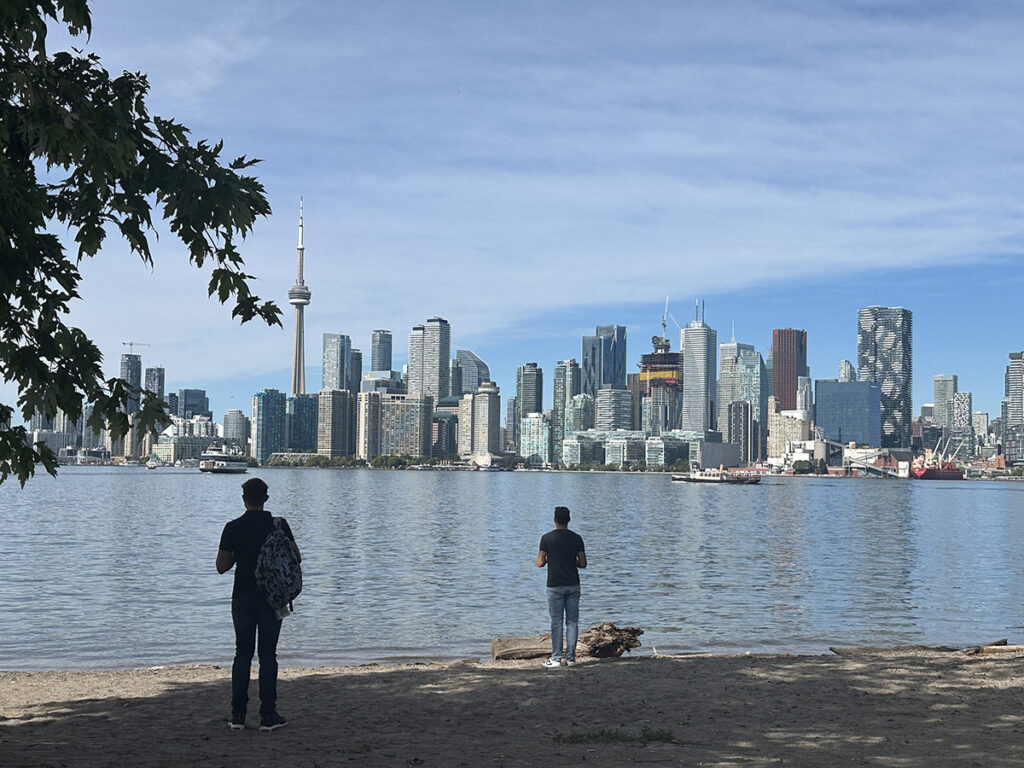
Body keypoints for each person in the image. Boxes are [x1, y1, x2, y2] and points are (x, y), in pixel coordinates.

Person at [217, 477, 300, 731]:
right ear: (266, 499)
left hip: (242, 596)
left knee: (242, 655)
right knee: (268, 656)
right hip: (273, 598)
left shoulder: (233, 527)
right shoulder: (279, 525)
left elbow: (221, 567)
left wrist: (238, 555)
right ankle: (268, 715)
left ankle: (238, 716)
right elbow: (296, 557)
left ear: (244, 499)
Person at [536, 505, 587, 668]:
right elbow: (583, 563)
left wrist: (549, 560)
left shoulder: (546, 538)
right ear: (569, 520)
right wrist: (573, 562)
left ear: (555, 520)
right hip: (573, 584)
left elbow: (539, 563)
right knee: (572, 622)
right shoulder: (577, 538)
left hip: (555, 585)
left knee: (556, 621)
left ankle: (556, 658)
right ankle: (571, 658)